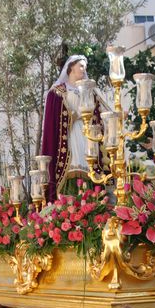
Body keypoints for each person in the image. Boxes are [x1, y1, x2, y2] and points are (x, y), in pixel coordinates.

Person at [41, 55, 104, 201]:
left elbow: (99, 115)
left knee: (87, 164)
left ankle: (89, 203)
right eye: (81, 66)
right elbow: (52, 123)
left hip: (86, 135)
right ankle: (68, 206)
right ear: (71, 67)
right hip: (68, 137)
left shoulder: (90, 92)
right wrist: (72, 117)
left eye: (85, 67)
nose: (84, 69)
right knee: (73, 165)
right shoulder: (57, 92)